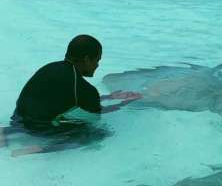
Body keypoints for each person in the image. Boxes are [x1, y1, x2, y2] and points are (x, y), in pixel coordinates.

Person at [1, 34, 142, 156]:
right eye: (97, 60)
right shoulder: (86, 90)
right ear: (87, 59)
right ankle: (40, 149)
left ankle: (7, 133)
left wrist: (109, 97)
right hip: (40, 130)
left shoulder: (49, 68)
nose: (97, 65)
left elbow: (60, 99)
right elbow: (93, 116)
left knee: (57, 113)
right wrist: (123, 104)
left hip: (18, 120)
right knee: (98, 134)